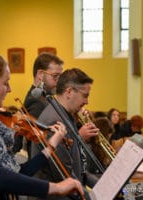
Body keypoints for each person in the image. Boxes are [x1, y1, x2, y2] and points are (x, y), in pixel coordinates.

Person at [0, 52, 84, 200]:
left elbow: (18, 173)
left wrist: (50, 146)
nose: (9, 89)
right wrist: (55, 188)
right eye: (5, 83)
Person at [31, 68, 99, 200]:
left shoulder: (66, 115)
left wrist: (102, 185)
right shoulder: (55, 120)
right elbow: (65, 175)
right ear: (69, 92)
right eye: (85, 95)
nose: (87, 102)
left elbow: (78, 167)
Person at [21, 52, 64, 157]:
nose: (59, 82)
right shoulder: (36, 101)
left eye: (61, 77)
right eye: (55, 76)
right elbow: (36, 145)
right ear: (40, 74)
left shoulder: (45, 97)